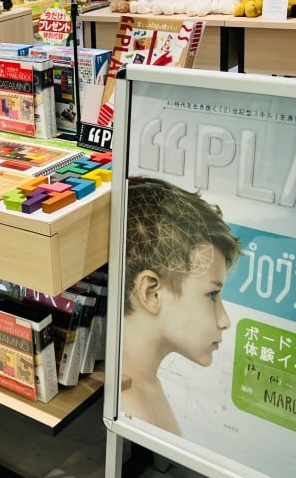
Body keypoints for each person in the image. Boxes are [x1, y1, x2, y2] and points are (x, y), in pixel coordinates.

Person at [120, 176, 241, 436]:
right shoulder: (132, 406)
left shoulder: (144, 385)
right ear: (152, 293)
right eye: (212, 295)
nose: (224, 321)